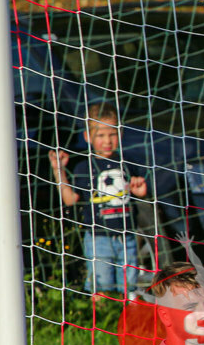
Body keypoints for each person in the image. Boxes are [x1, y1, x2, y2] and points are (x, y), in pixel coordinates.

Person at [48, 103, 148, 297]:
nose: (107, 141)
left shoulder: (128, 164)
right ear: (88, 137)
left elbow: (138, 193)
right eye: (100, 136)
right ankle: (102, 321)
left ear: (120, 134)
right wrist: (58, 170)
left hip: (127, 236)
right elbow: (69, 200)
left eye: (112, 134)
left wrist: (141, 190)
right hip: (98, 238)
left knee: (130, 289)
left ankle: (128, 321)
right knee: (101, 289)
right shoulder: (83, 168)